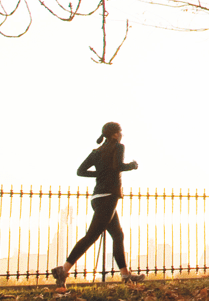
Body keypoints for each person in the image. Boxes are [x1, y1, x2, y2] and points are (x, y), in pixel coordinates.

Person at [52, 121, 144, 286]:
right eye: (120, 132)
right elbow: (119, 166)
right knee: (91, 236)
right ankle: (63, 270)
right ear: (115, 134)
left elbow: (80, 171)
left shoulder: (96, 151)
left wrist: (100, 173)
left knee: (117, 234)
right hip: (109, 196)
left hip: (97, 198)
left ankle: (125, 275)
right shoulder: (118, 147)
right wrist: (132, 165)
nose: (121, 134)